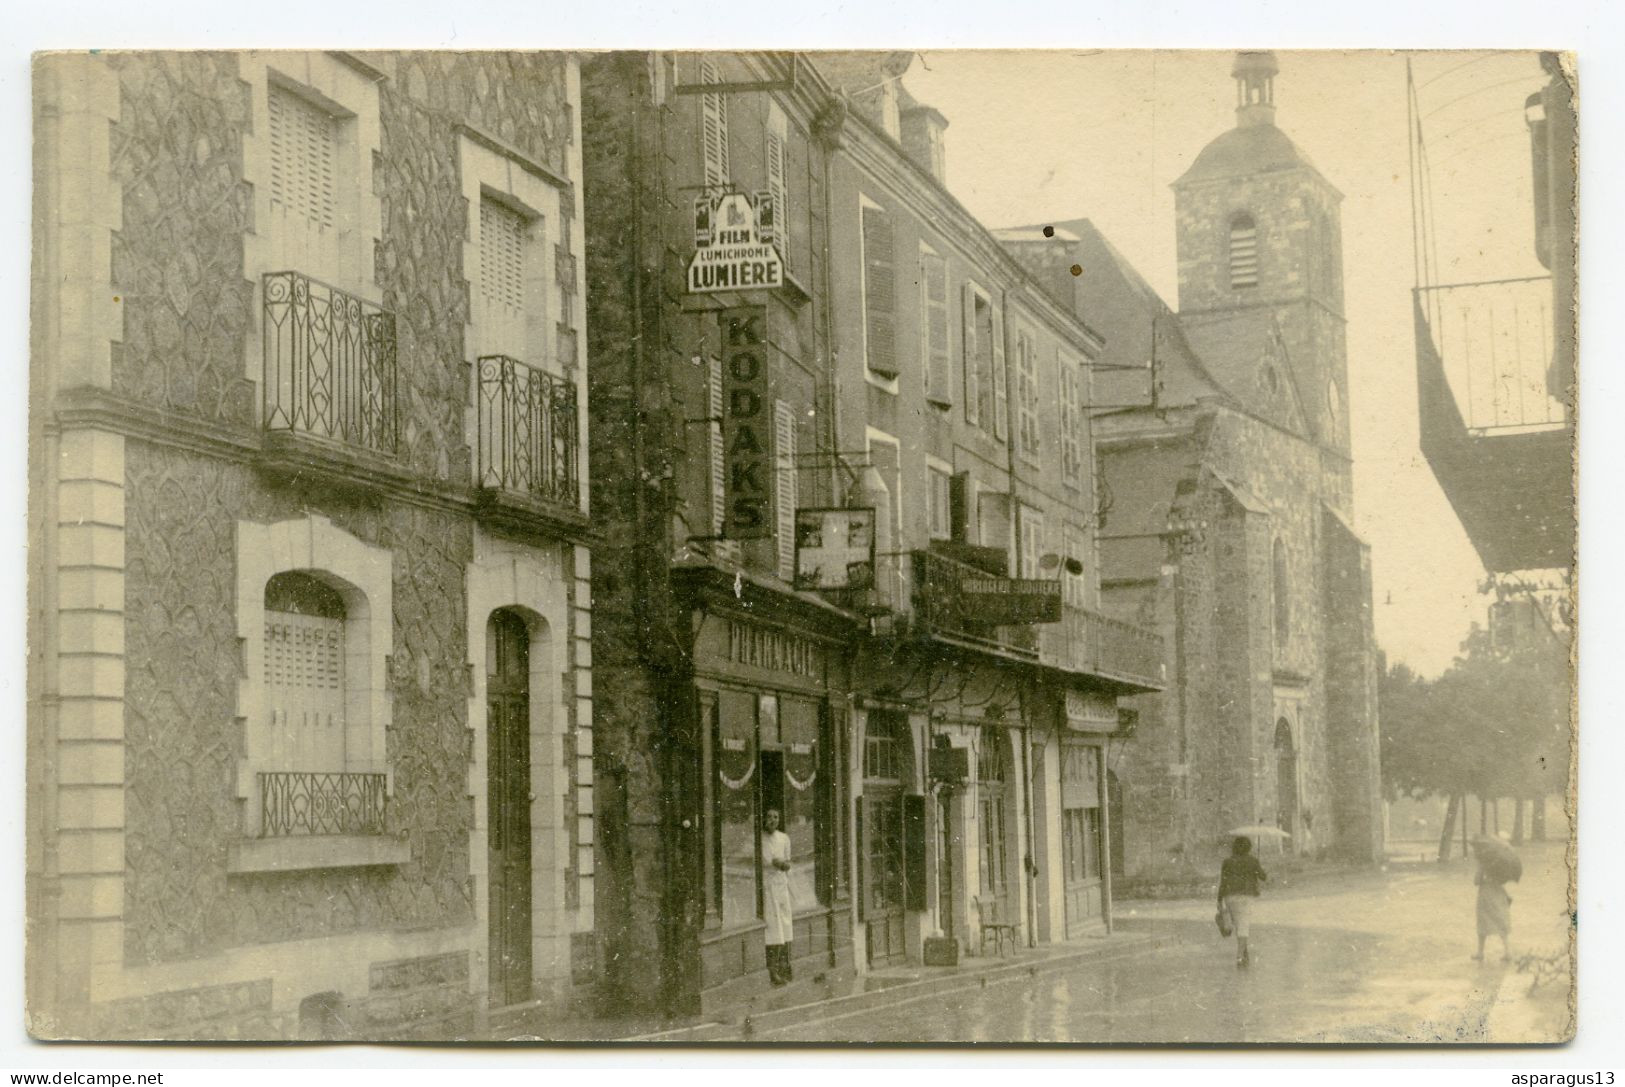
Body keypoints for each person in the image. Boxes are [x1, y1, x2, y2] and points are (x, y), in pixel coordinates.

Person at [1218, 836, 1268, 967]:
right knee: (1243, 926)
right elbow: (1263, 877)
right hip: (1246, 897)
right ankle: (1240, 957)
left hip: (1230, 897)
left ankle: (1244, 953)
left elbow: (1223, 882)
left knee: (1238, 925)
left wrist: (1219, 900)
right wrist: (1258, 865)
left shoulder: (1227, 861)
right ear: (1249, 847)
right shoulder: (1253, 861)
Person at [762, 808, 794, 985]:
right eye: (769, 816)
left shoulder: (784, 838)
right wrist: (781, 864)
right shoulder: (760, 838)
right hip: (768, 887)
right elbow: (771, 861)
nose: (772, 820)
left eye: (776, 816)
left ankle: (783, 965)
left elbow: (787, 860)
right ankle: (772, 969)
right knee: (773, 928)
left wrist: (785, 864)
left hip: (782, 886)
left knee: (784, 924)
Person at [1472, 838, 1513, 962]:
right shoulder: (1500, 864)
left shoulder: (1483, 863)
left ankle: (1480, 952)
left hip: (1486, 895)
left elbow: (1476, 881)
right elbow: (1502, 881)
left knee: (1483, 923)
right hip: (1499, 894)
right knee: (1501, 922)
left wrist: (1480, 871)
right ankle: (1507, 951)